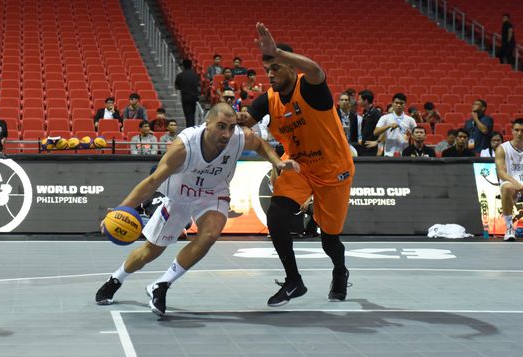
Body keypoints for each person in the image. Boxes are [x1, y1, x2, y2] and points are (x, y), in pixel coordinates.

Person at [95, 103, 299, 316]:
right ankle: (116, 278)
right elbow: (152, 181)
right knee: (151, 251)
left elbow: (260, 144)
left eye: (230, 127)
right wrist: (120, 208)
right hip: (179, 196)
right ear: (207, 124)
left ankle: (162, 284)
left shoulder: (239, 137)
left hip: (213, 194)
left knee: (210, 235)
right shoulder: (185, 146)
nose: (227, 133)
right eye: (221, 126)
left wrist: (277, 162)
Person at [237, 23, 354, 306]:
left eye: (276, 68)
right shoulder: (269, 98)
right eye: (268, 71)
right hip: (298, 167)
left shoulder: (310, 87)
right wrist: (234, 119)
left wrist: (276, 51)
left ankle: (340, 271)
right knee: (276, 216)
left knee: (329, 240)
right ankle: (294, 281)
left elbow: (316, 70)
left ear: (291, 67)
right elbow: (247, 121)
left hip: (333, 169)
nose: (271, 75)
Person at [495, 118, 523, 241]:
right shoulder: (502, 148)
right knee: (506, 187)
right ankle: (509, 227)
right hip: (512, 184)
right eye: (516, 130)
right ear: (512, 131)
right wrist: (517, 185)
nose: (519, 133)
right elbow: (501, 173)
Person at [174, 59, 200, 128]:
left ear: (183, 66)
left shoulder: (180, 75)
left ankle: (190, 130)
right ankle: (192, 129)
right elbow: (198, 85)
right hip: (194, 98)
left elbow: (176, 86)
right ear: (191, 65)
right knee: (192, 115)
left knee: (188, 116)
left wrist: (183, 87)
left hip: (185, 98)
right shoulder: (195, 75)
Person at [357, 89, 382, 156]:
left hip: (372, 149)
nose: (358, 101)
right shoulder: (366, 112)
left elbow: (383, 130)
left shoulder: (376, 114)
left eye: (359, 99)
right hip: (364, 147)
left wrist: (377, 142)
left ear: (365, 101)